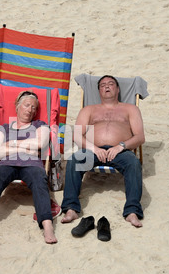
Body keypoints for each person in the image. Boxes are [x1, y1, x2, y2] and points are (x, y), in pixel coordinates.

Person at [0, 90, 57, 244]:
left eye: (34, 108)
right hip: (6, 163)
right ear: (17, 106)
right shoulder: (4, 128)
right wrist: (26, 148)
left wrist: (11, 144)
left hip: (31, 163)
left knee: (39, 180)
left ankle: (47, 225)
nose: (30, 110)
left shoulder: (40, 125)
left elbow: (40, 145)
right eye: (27, 105)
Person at [61, 75, 145, 227]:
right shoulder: (89, 110)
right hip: (93, 149)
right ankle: (71, 208)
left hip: (120, 151)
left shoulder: (130, 109)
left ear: (117, 89)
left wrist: (121, 146)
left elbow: (140, 137)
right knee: (74, 160)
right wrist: (94, 148)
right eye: (103, 85)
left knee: (133, 162)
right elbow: (76, 135)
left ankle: (132, 211)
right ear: (99, 90)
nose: (107, 86)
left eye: (111, 84)